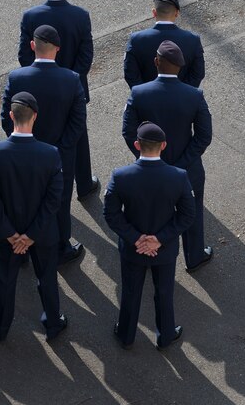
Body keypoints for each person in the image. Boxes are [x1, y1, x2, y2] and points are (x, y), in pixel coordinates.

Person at [122, 40, 214, 273]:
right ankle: (194, 256)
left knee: (150, 212)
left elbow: (128, 131)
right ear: (180, 67)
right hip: (188, 169)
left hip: (150, 167)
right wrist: (180, 165)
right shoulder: (194, 95)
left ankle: (153, 254)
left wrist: (150, 157)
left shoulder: (139, 93)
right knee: (192, 210)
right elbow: (203, 136)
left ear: (156, 62)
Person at [103, 122, 195, 350]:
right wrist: (159, 239)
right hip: (164, 250)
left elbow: (111, 214)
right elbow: (187, 216)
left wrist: (136, 238)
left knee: (131, 291)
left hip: (132, 250)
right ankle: (165, 336)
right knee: (164, 292)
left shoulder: (121, 176)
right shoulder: (178, 177)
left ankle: (126, 334)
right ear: (163, 145)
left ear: (136, 145)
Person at [0, 92, 68, 342]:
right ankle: (53, 324)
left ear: (11, 116)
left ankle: (0, 328)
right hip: (42, 234)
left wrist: (10, 233)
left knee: (5, 280)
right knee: (47, 279)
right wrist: (31, 235)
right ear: (35, 117)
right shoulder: (50, 153)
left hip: (7, 235)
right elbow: (54, 200)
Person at [2, 25, 86, 266]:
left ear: (32, 46)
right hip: (60, 155)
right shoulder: (71, 79)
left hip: (24, 153)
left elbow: (7, 117)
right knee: (59, 201)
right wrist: (61, 149)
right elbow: (77, 121)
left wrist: (23, 144)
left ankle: (24, 248)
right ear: (57, 50)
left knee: (25, 200)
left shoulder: (17, 78)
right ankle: (61, 247)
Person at [17, 0, 99, 201]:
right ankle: (83, 183)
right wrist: (69, 81)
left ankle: (46, 183)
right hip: (74, 88)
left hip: (40, 89)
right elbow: (86, 56)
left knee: (43, 134)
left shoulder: (31, 16)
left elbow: (24, 56)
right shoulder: (80, 16)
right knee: (78, 135)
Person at [124, 0, 205, 88]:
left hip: (148, 100)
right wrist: (184, 94)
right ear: (177, 13)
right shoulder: (193, 40)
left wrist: (143, 94)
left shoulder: (136, 39)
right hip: (182, 100)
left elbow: (130, 74)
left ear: (154, 12)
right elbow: (197, 73)